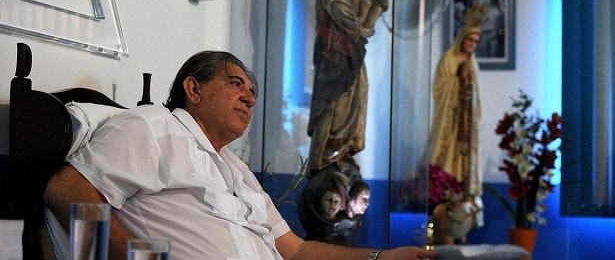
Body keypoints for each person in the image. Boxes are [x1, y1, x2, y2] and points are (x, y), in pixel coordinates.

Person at [44, 50, 437, 259]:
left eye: (252, 92)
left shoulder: (237, 170)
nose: (249, 97)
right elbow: (65, 191)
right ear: (193, 90)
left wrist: (379, 259)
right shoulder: (152, 128)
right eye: (236, 85)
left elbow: (296, 251)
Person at [307, 0, 373, 174]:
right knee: (337, 101)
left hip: (350, 47)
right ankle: (326, 156)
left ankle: (344, 151)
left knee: (359, 89)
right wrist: (359, 27)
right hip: (335, 47)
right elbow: (336, 5)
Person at [425, 18, 485, 228]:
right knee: (444, 158)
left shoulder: (473, 62)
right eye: (469, 39)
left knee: (465, 164)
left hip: (467, 126)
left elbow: (476, 96)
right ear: (462, 39)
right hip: (449, 125)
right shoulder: (448, 60)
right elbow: (439, 89)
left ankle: (461, 214)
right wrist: (459, 79)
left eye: (476, 41)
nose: (472, 44)